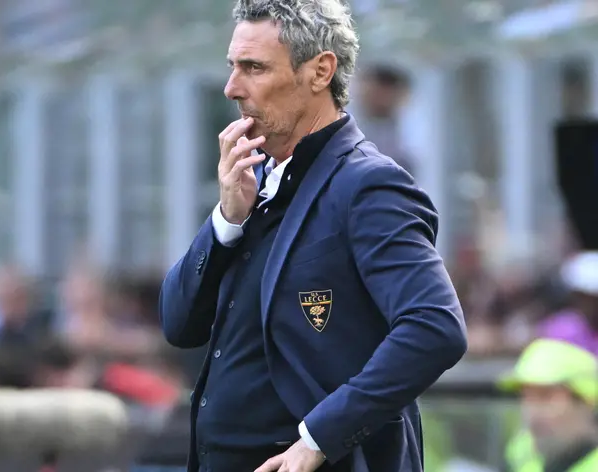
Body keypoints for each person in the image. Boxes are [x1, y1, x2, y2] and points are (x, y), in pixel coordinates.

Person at [158, 1, 467, 471]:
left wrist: (318, 439)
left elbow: (435, 327)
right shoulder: (251, 184)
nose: (232, 88)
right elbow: (179, 324)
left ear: (321, 70)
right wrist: (226, 220)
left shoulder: (368, 184)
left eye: (254, 68)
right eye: (232, 67)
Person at [499, 339, 598, 472]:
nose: (532, 410)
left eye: (546, 396)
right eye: (526, 396)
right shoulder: (520, 453)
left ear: (586, 401)